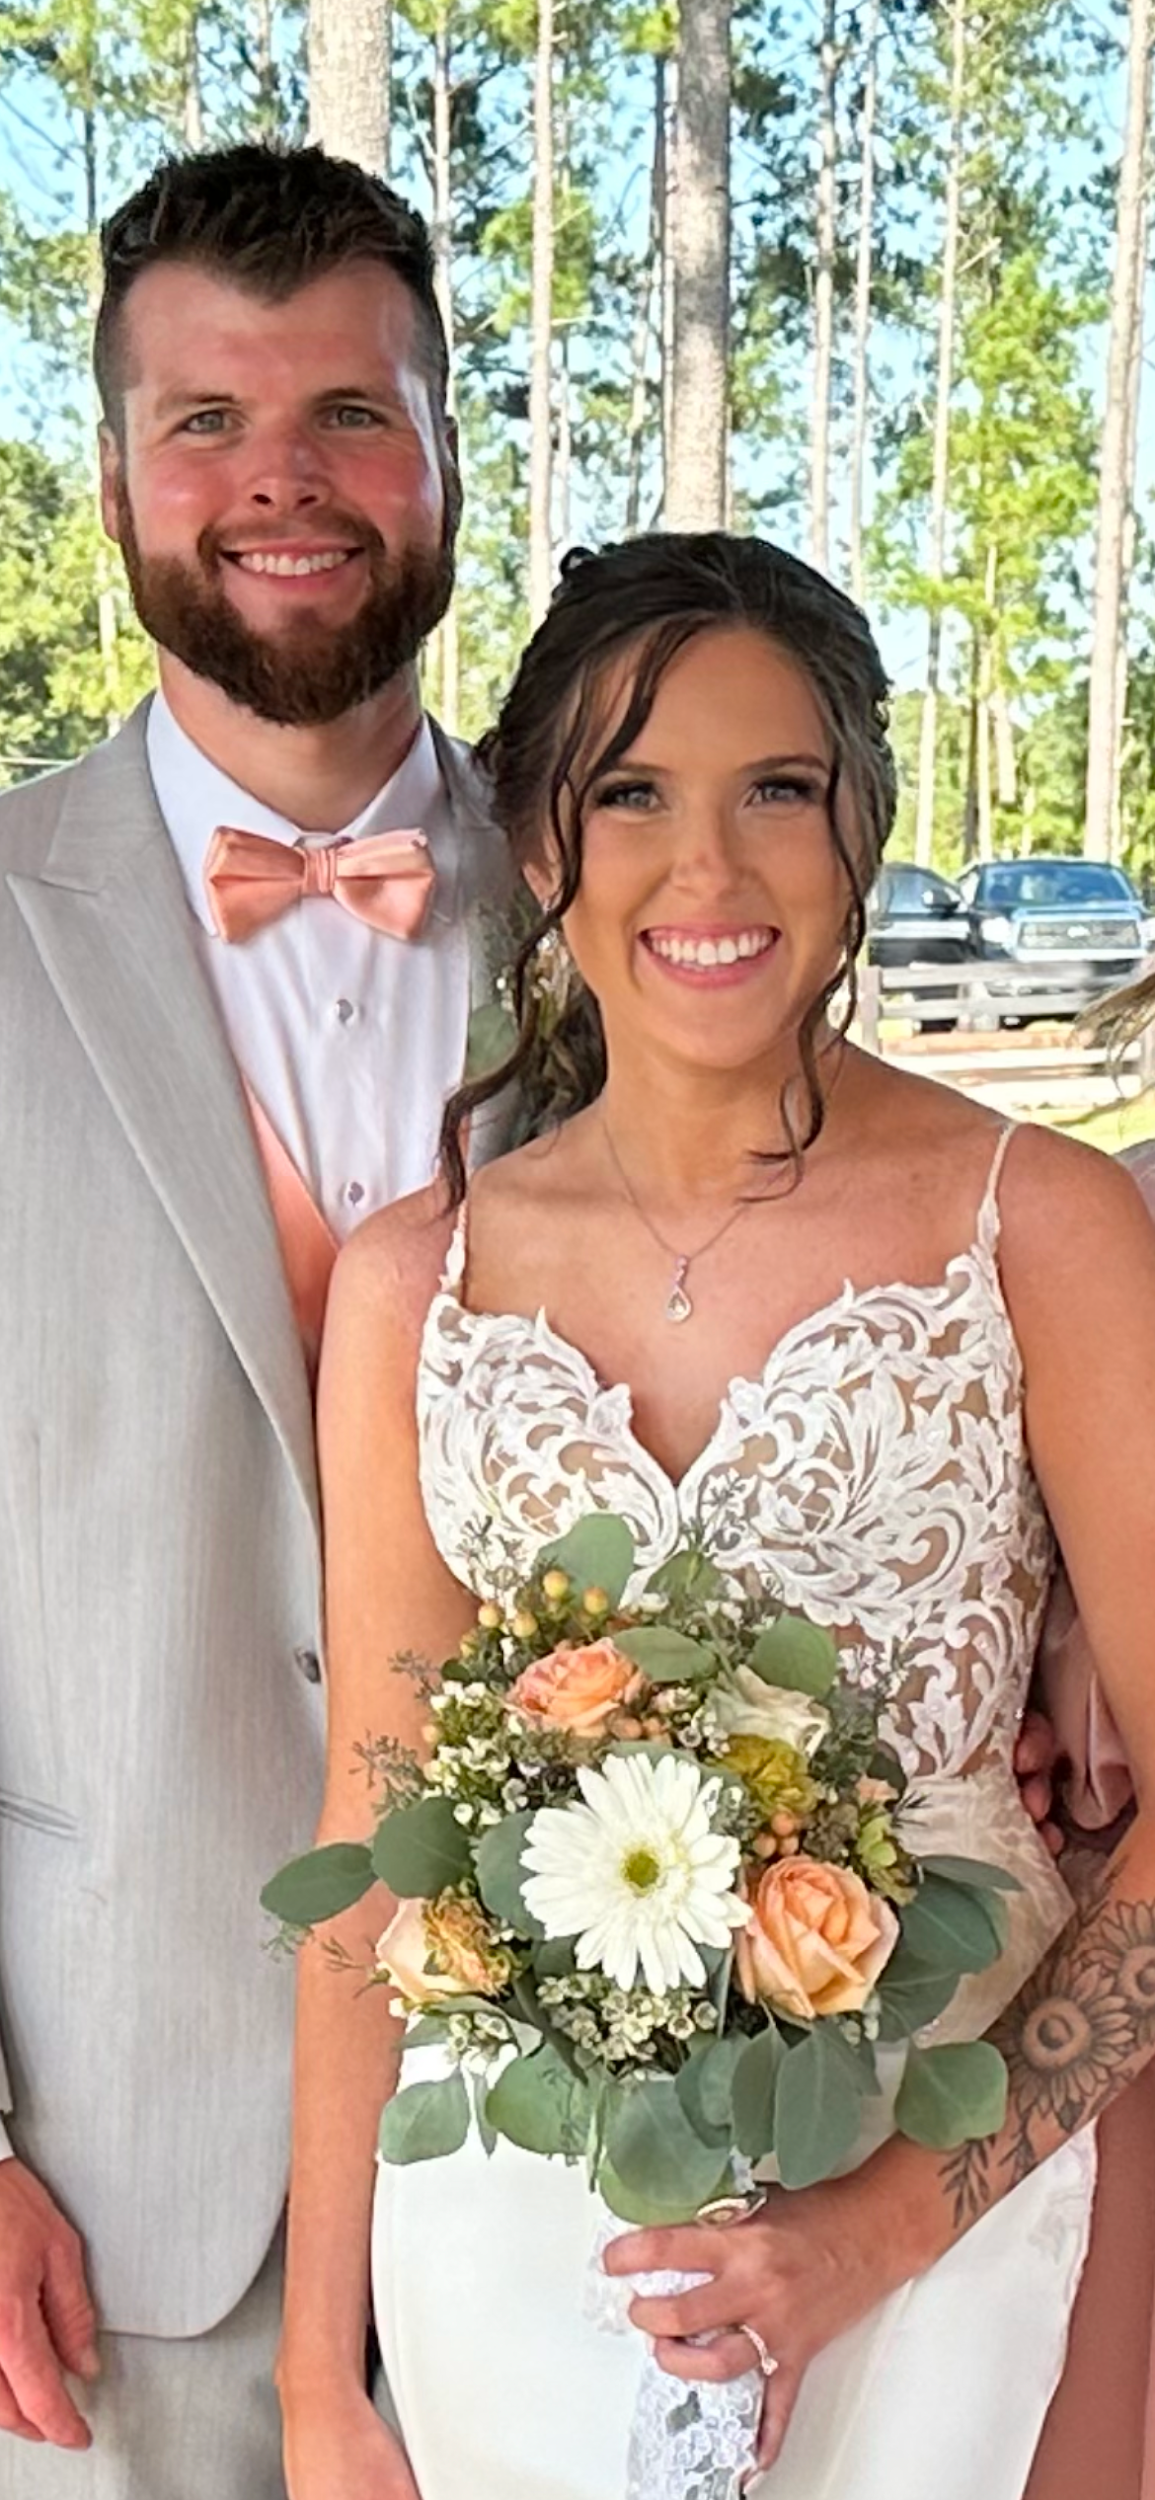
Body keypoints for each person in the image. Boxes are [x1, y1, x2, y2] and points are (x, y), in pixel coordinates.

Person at [282, 531, 1155, 2500]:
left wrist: (897, 2219)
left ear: (862, 823)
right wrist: (318, 2381)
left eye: (778, 788)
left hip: (935, 2160)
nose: (710, 868)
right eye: (633, 792)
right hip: (511, 2196)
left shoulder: (1048, 1222)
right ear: (537, 838)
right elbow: (374, 1800)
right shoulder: (412, 1278)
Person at [0, 141, 509, 2500]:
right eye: (205, 419)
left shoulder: (646, 898)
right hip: (117, 2188)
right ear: (111, 474)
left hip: (599, 2136)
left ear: (444, 458)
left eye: (349, 414)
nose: (277, 483)